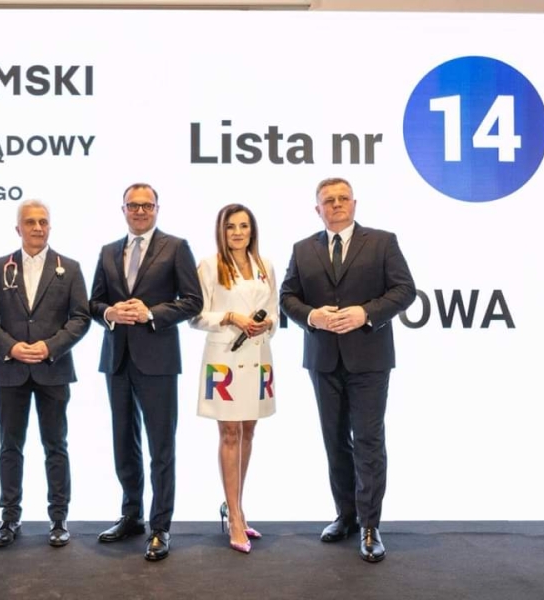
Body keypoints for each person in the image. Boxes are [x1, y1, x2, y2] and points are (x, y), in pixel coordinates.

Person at [280, 177, 416, 563]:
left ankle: (371, 526)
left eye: (343, 198)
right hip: (323, 359)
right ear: (317, 209)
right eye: (329, 200)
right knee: (335, 441)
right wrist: (312, 316)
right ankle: (346, 516)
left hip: (369, 358)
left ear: (354, 204)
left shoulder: (383, 242)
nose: (337, 204)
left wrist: (365, 313)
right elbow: (287, 297)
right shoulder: (303, 249)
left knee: (369, 441)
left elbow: (404, 290)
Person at [89, 183, 203, 562]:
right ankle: (131, 516)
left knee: (161, 447)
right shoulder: (108, 251)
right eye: (133, 205)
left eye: (147, 205)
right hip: (117, 359)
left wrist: (151, 313)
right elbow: (94, 302)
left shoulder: (176, 247)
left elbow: (193, 301)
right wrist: (110, 312)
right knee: (124, 442)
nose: (140, 211)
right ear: (122, 209)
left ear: (157, 208)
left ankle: (160, 527)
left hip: (158, 359)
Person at [0, 199, 91, 548]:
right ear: (18, 228)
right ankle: (9, 518)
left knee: (56, 446)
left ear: (50, 227)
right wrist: (10, 347)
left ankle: (58, 518)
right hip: (10, 370)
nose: (37, 227)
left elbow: (81, 318)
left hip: (53, 370)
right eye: (30, 222)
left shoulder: (69, 268)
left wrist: (50, 346)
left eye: (43, 222)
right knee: (9, 447)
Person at [190, 204, 278, 555]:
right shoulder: (209, 265)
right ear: (221, 231)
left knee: (248, 430)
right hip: (224, 358)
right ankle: (236, 518)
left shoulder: (265, 265)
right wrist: (229, 317)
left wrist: (266, 324)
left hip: (257, 356)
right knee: (229, 432)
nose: (238, 233)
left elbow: (274, 312)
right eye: (231, 227)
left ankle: (235, 505)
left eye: (244, 226)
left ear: (252, 230)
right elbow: (195, 316)